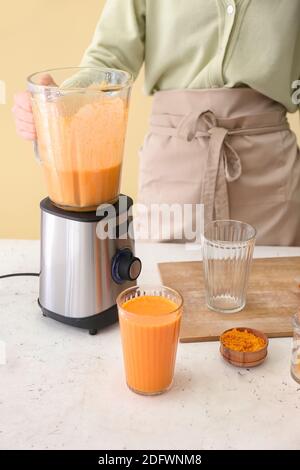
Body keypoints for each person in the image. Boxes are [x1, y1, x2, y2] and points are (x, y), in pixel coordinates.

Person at [13, 0, 300, 245]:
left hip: (270, 170)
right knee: (159, 296)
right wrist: (61, 102)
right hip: (173, 159)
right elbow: (110, 58)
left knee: (274, 297)